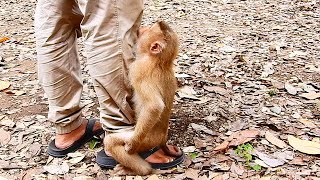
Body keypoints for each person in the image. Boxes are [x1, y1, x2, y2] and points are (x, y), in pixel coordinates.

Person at [34, 0, 183, 168]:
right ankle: (120, 129)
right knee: (111, 20)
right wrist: (136, 139)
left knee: (56, 20)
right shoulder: (150, 68)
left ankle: (67, 125)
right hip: (139, 137)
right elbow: (155, 106)